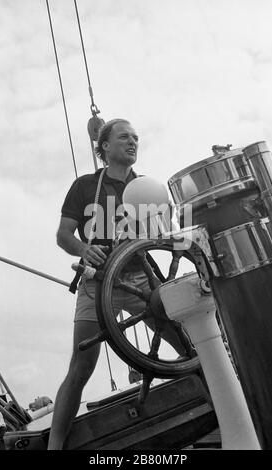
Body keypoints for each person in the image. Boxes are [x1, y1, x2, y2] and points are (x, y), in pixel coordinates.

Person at [48, 119, 191, 450]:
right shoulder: (84, 186)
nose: (133, 141)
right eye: (124, 136)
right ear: (105, 147)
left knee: (190, 349)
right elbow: (63, 235)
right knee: (81, 366)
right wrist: (84, 249)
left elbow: (166, 236)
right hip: (97, 284)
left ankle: (224, 408)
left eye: (136, 137)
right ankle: (55, 447)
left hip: (140, 280)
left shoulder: (149, 189)